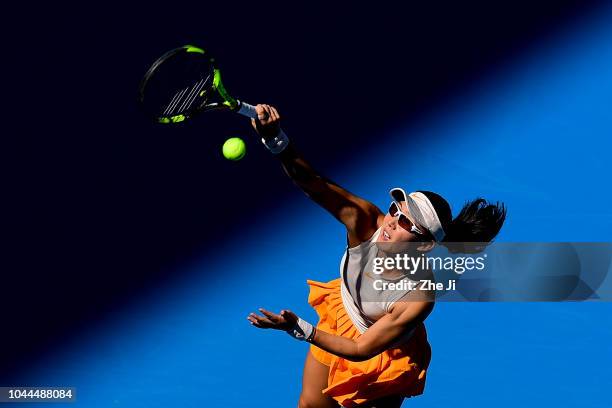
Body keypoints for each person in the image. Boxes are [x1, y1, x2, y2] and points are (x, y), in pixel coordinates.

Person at [246, 104, 506, 408]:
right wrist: (275, 138)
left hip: (382, 353)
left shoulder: (418, 298)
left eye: (407, 222)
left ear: (423, 244)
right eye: (396, 210)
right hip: (342, 315)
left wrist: (299, 328)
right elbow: (313, 183)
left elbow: (361, 350)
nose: (393, 220)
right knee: (309, 405)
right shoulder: (368, 222)